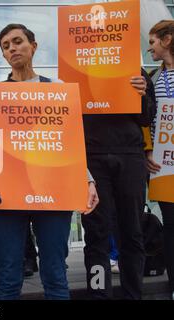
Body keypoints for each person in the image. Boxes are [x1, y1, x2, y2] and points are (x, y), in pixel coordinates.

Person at [0, 23, 99, 300]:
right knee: (8, 278)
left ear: (33, 46)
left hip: (52, 191)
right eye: (6, 46)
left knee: (56, 275)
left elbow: (70, 143)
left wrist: (87, 180)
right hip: (5, 192)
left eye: (17, 41)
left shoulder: (57, 89)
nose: (12, 49)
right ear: (4, 55)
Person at [81, 56, 155, 300]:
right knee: (96, 234)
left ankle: (133, 295)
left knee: (132, 232)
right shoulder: (77, 70)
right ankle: (99, 295)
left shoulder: (136, 70)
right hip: (92, 158)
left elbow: (146, 118)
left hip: (130, 157)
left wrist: (141, 94)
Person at [146, 19, 174, 300]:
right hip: (164, 163)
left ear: (167, 41)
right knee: (171, 222)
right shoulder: (153, 78)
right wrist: (148, 151)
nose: (149, 47)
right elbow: (148, 119)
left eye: (153, 41)